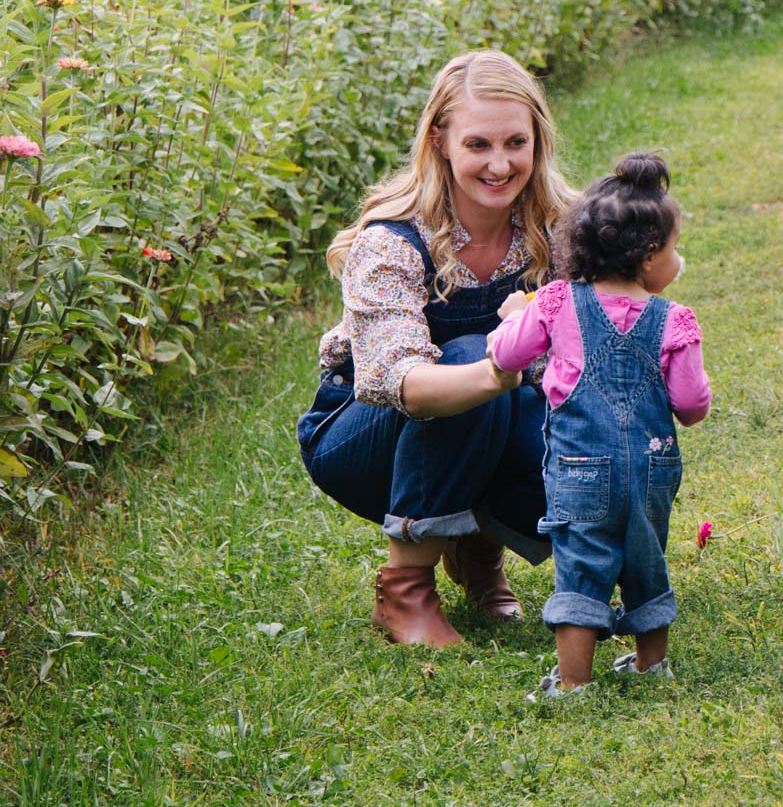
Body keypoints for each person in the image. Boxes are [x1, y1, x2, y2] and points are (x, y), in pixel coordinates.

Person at [296, 51, 577, 647]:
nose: (500, 164)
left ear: (537, 141)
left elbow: (620, 303)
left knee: (570, 422)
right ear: (440, 141)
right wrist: (501, 368)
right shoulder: (393, 241)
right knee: (475, 355)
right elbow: (404, 385)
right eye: (478, 144)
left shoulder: (556, 229)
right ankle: (406, 587)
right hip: (366, 437)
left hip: (487, 412)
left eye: (515, 143)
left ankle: (479, 551)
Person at [486, 153, 711, 697]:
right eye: (675, 249)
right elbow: (691, 405)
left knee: (582, 568)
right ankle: (651, 665)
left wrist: (512, 318)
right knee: (645, 558)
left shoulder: (558, 302)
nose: (677, 260)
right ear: (649, 256)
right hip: (651, 472)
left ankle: (572, 684)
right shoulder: (674, 320)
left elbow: (509, 356)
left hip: (580, 471)